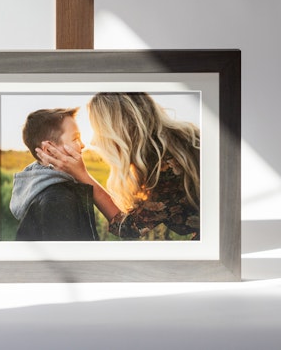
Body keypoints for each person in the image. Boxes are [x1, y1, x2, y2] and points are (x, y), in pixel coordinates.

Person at [40, 92, 201, 240]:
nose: (94, 141)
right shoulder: (178, 144)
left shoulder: (164, 167)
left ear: (118, 128)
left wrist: (83, 176)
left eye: (99, 130)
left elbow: (128, 228)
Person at [9, 108, 98, 241]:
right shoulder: (58, 200)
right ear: (49, 150)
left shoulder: (41, 189)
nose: (83, 145)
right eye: (76, 138)